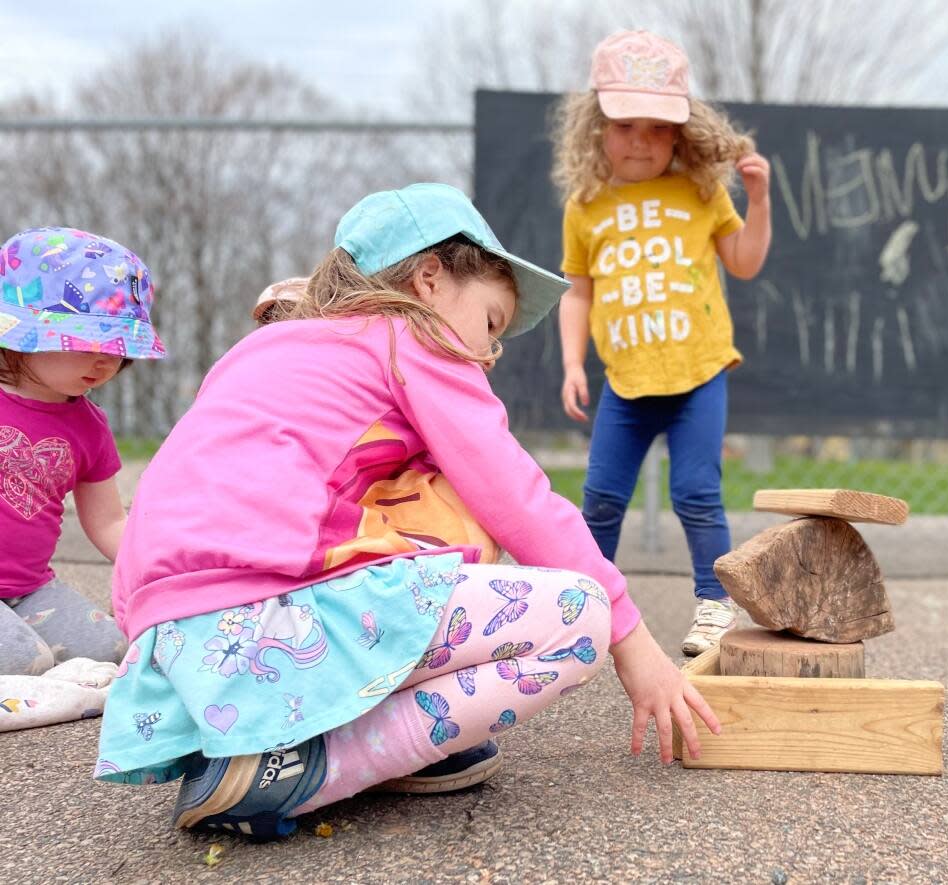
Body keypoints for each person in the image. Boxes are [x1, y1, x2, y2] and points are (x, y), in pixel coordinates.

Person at [94, 183, 720, 841]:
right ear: (429, 279)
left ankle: (274, 734)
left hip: (171, 637)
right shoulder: (409, 339)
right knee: (578, 615)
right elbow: (515, 495)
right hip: (269, 616)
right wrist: (632, 638)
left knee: (421, 487)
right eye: (490, 322)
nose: (488, 352)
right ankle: (318, 762)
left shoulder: (274, 347)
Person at [552, 30, 773, 656]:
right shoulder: (587, 204)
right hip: (627, 381)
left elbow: (746, 261)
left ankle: (713, 605)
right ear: (598, 127)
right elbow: (578, 292)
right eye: (625, 126)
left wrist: (757, 198)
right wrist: (573, 363)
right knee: (599, 499)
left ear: (680, 133)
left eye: (657, 127)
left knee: (697, 494)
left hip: (698, 373)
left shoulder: (700, 192)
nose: (641, 141)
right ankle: (583, 610)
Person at [0, 227, 167, 675]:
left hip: (28, 587)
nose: (104, 361)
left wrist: (161, 565)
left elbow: (108, 519)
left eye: (117, 351)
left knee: (110, 650)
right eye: (90, 344)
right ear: (24, 334)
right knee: (22, 660)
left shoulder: (89, 426)